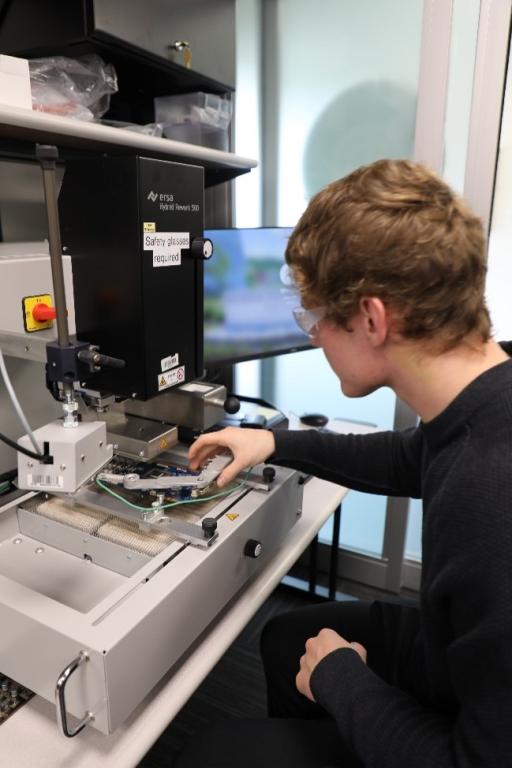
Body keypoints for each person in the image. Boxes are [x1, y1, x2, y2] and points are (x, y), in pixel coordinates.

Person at [176, 159, 512, 768]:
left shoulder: (491, 496)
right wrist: (277, 443)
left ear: (371, 318)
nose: (312, 336)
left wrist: (341, 680)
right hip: (460, 659)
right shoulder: (489, 393)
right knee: (286, 638)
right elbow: (409, 457)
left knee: (211, 753)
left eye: (314, 316)